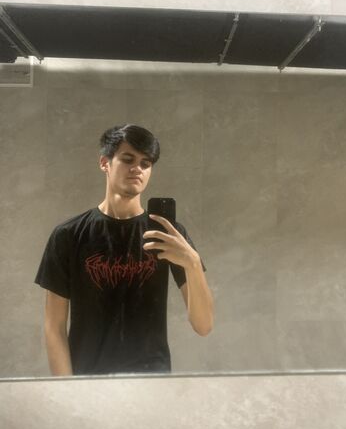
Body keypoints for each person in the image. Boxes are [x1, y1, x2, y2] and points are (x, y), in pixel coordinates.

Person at [35, 124, 213, 376]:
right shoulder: (68, 235)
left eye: (146, 163)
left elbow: (203, 326)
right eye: (128, 159)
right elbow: (54, 327)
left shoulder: (168, 234)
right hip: (88, 380)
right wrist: (67, 390)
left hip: (151, 381)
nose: (137, 168)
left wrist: (192, 263)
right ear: (104, 163)